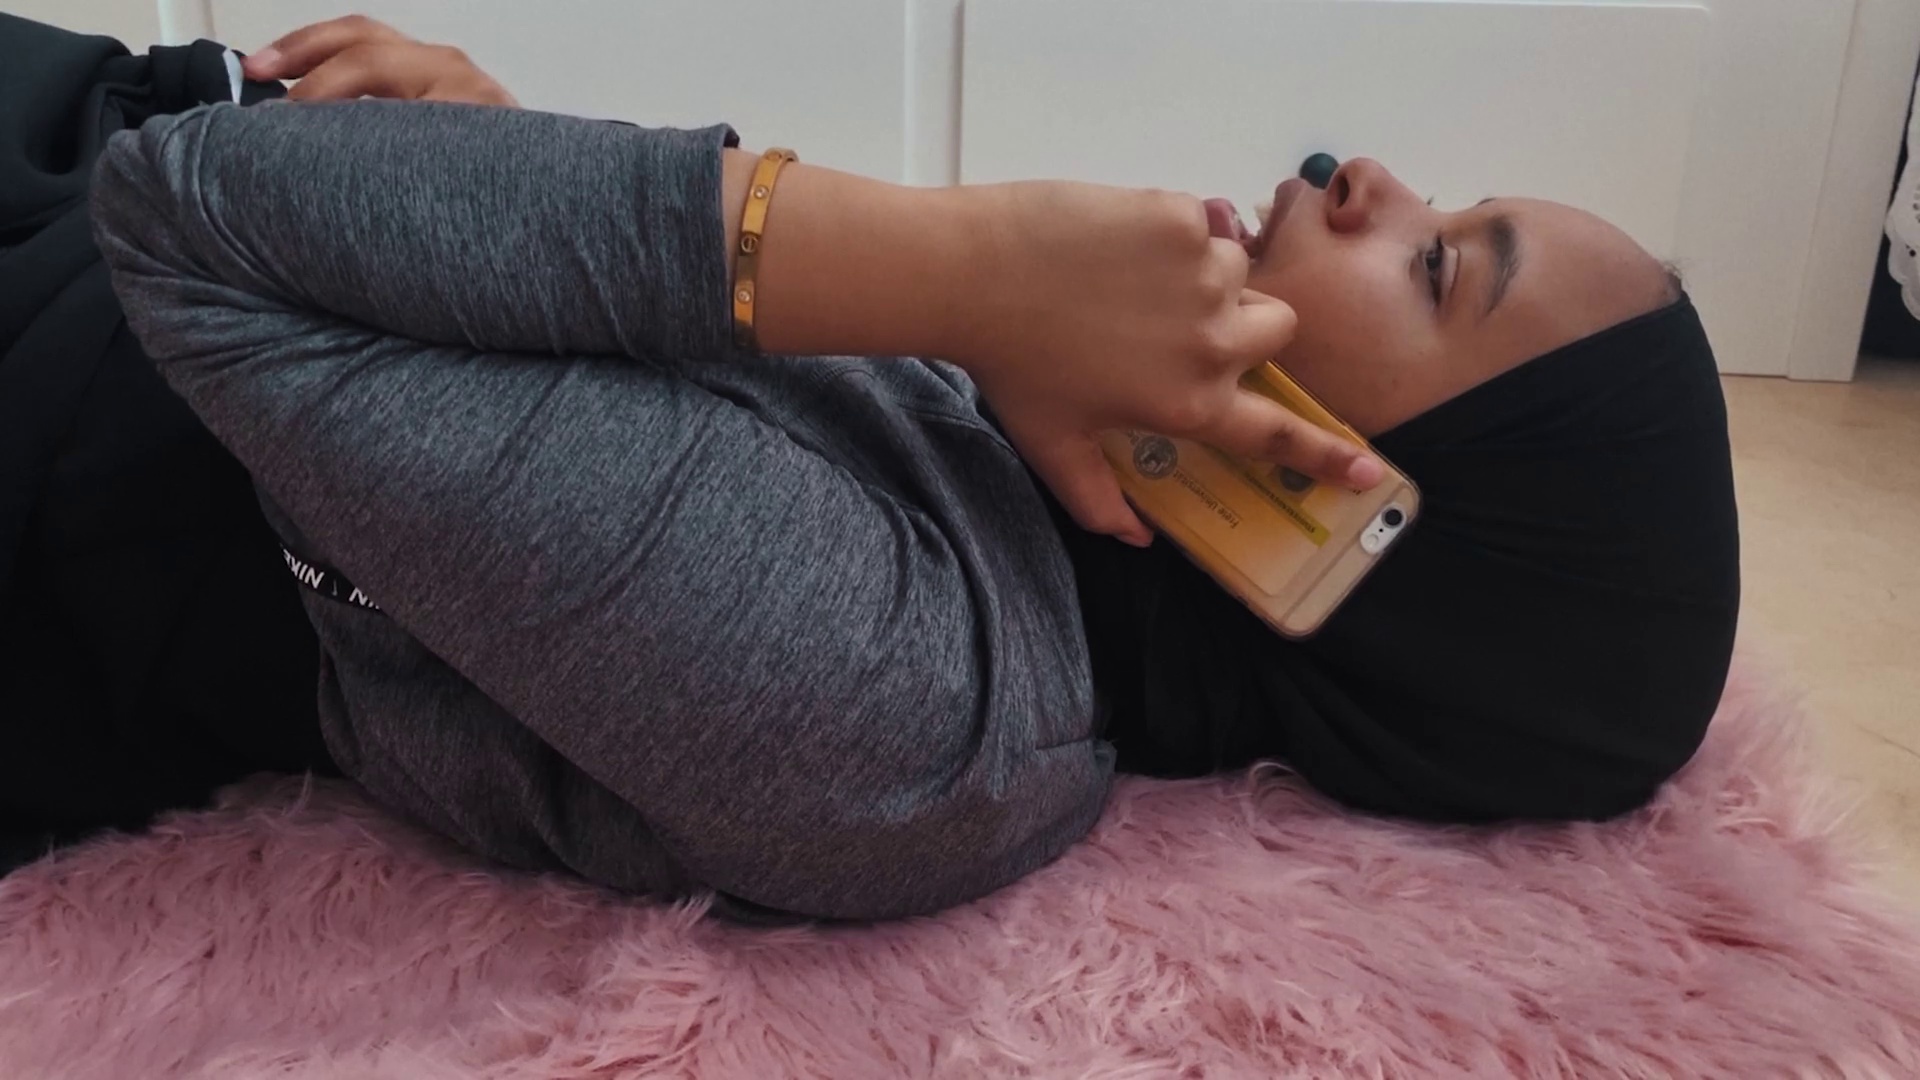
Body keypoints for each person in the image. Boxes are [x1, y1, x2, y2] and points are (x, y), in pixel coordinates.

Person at [79, 17, 1737, 922]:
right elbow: (635, 411)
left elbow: (195, 227)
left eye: (1442, 267)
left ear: (1355, 529)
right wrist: (485, 153)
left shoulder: (909, 712)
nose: (1371, 177)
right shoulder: (1020, 458)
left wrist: (967, 267)